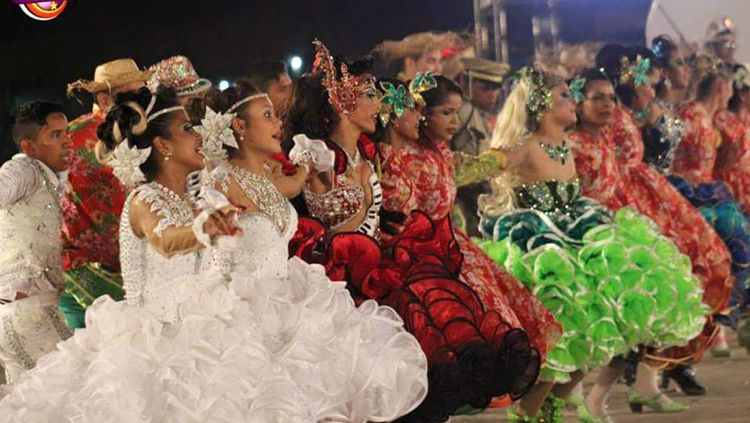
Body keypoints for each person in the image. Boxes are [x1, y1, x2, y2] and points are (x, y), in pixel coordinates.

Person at [284, 41, 547, 422]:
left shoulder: (370, 154)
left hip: (383, 274)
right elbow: (290, 199)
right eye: (372, 95)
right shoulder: (318, 156)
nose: (380, 104)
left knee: (423, 378)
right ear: (343, 103)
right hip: (338, 286)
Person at [476, 66, 707, 422]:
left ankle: (553, 405)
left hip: (582, 237)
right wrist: (455, 164)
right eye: (565, 96)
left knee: (599, 331)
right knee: (563, 339)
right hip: (544, 251)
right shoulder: (525, 147)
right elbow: (490, 163)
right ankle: (527, 414)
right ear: (540, 103)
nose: (574, 102)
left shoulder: (564, 145)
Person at [198, 81, 431, 423]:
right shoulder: (220, 182)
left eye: (276, 115)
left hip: (288, 301)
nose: (279, 123)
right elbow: (211, 243)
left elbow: (296, 184)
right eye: (267, 115)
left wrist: (309, 163)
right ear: (240, 126)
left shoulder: (268, 178)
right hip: (243, 319)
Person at [61, 58, 153, 329]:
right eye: (132, 95)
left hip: (134, 266)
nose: (142, 101)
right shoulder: (68, 139)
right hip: (85, 273)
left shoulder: (141, 131)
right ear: (104, 99)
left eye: (143, 93)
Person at [0, 101, 74, 384]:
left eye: (66, 132)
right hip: (26, 311)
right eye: (55, 135)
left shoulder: (51, 178)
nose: (67, 141)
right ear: (29, 147)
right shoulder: (24, 170)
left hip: (36, 309)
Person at [450, 57, 510, 236]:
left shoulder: (481, 113)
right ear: (467, 84)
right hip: (462, 194)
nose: (492, 94)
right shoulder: (464, 111)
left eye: (496, 89)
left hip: (479, 193)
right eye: (485, 88)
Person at [372, 31, 456, 81]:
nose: (439, 69)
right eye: (431, 61)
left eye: (440, 61)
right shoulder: (395, 97)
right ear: (410, 63)